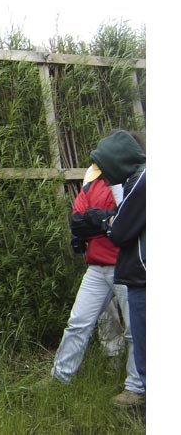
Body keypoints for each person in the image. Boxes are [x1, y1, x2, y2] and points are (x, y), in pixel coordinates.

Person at [49, 162, 145, 406]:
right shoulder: (93, 180)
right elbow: (78, 220)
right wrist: (105, 222)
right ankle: (60, 378)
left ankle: (136, 387)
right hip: (96, 266)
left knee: (136, 330)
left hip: (125, 265)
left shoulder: (133, 180)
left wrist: (104, 221)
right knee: (78, 322)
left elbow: (126, 223)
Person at [86, 129, 146, 391]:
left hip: (139, 272)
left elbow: (120, 231)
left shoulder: (141, 181)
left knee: (141, 337)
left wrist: (106, 221)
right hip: (113, 266)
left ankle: (138, 391)